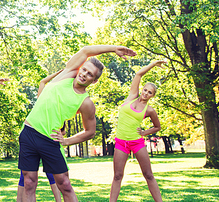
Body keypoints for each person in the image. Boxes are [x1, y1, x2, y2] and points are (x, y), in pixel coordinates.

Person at [19, 45, 137, 202]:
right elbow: (86, 51)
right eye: (84, 70)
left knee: (65, 184)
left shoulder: (86, 103)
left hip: (50, 140)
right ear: (80, 68)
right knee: (29, 183)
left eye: (90, 75)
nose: (84, 74)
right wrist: (113, 49)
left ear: (94, 81)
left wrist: (67, 141)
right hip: (29, 132)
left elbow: (90, 132)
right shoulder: (67, 74)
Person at [110, 60, 166, 202]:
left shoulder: (149, 110)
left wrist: (144, 133)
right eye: (145, 90)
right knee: (117, 176)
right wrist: (154, 64)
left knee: (148, 175)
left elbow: (157, 127)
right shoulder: (131, 96)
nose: (146, 93)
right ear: (142, 89)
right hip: (121, 142)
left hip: (137, 143)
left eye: (150, 93)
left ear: (152, 96)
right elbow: (139, 74)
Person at [17, 69, 63, 202]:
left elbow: (62, 129)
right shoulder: (42, 100)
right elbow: (43, 81)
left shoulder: (59, 106)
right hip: (29, 137)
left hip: (48, 140)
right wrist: (60, 72)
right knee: (26, 178)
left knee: (53, 175)